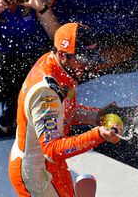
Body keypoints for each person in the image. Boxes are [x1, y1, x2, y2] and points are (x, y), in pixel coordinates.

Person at [8, 22, 121, 197]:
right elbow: (52, 150)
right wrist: (97, 135)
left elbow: (65, 112)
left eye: (90, 59)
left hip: (49, 166)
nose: (87, 66)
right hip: (37, 174)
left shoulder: (58, 66)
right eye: (83, 59)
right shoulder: (45, 93)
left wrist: (97, 116)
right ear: (62, 55)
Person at [0, 0, 61, 130]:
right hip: (5, 65)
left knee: (43, 58)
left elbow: (57, 36)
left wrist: (41, 8)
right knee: (0, 61)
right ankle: (15, 110)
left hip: (31, 57)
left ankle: (30, 111)